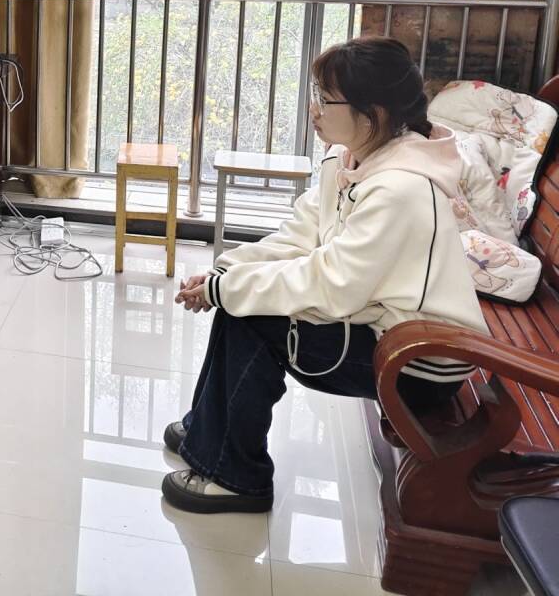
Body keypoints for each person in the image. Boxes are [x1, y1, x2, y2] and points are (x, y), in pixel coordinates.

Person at [163, 36, 488, 515]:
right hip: (382, 323)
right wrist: (226, 271)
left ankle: (237, 478)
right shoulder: (349, 158)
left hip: (418, 359)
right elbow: (300, 236)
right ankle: (208, 428)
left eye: (325, 99)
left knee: (251, 319)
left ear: (372, 113)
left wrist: (225, 290)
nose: (313, 110)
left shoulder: (401, 189)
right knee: (240, 299)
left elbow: (333, 286)